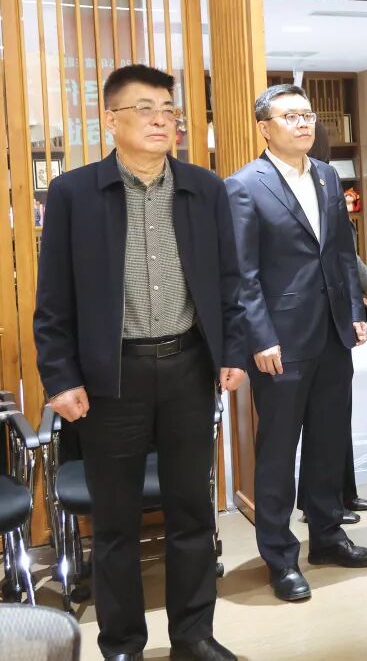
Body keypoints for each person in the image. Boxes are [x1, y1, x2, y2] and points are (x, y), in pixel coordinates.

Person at [34, 64, 245, 661]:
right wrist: (60, 377)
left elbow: (229, 280)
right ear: (111, 119)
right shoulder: (75, 193)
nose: (161, 120)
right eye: (145, 109)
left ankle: (194, 636)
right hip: (112, 378)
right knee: (116, 521)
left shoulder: (204, 188)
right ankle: (122, 643)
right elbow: (53, 298)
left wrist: (232, 350)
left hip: (188, 368)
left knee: (192, 511)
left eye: (169, 110)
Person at [226, 84, 367, 603]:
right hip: (281, 341)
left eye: (307, 115)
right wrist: (260, 337)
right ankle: (279, 556)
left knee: (329, 440)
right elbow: (242, 273)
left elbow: (341, 252)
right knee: (277, 450)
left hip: (333, 331)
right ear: (265, 128)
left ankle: (328, 536)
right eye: (290, 116)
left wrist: (354, 312)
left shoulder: (328, 176)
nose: (303, 123)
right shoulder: (243, 186)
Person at [295, 123, 367, 524]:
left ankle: (340, 494)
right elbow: (342, 255)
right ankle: (324, 500)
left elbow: (344, 249)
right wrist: (363, 285)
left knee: (335, 414)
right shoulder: (302, 184)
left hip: (336, 317)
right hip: (311, 319)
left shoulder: (324, 180)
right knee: (323, 418)